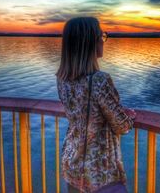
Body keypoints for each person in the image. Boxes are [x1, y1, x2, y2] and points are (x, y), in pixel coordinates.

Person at [56, 17, 137, 193]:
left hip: (72, 166)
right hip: (100, 174)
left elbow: (84, 110)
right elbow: (122, 126)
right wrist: (127, 116)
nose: (103, 39)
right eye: (101, 35)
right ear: (89, 41)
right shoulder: (99, 80)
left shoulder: (62, 79)